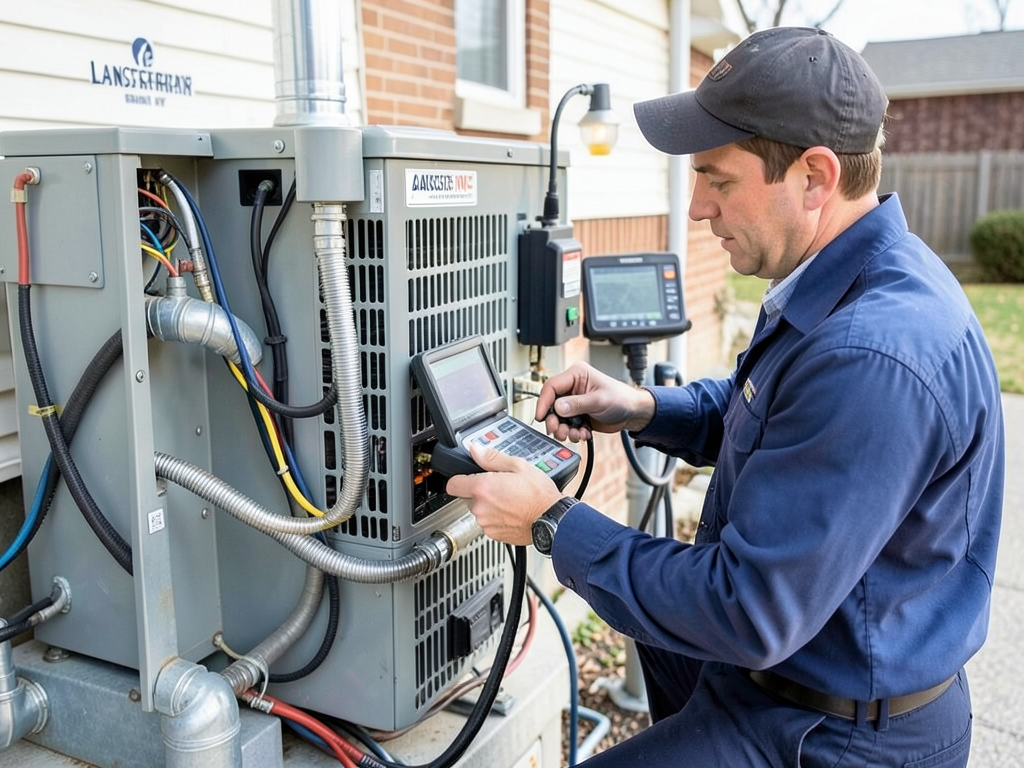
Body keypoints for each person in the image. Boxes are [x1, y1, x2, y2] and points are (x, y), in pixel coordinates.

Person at [447, 26, 1005, 766]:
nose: (698, 208)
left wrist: (552, 524)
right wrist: (643, 408)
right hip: (790, 678)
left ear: (815, 176)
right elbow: (778, 418)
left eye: (719, 179)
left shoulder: (869, 352)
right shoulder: (846, 278)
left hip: (830, 735)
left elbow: (747, 606)